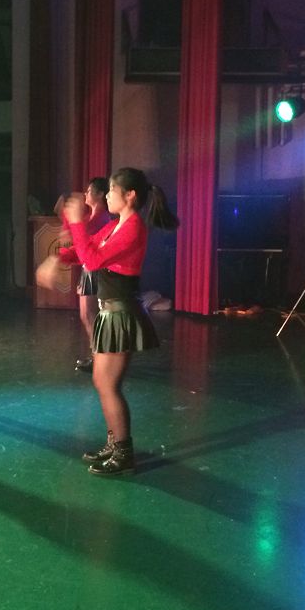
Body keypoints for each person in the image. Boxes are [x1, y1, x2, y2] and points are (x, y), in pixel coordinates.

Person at [63, 167, 179, 476]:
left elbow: (93, 261)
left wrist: (76, 222)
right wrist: (58, 257)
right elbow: (85, 251)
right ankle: (114, 444)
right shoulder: (116, 225)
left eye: (112, 192)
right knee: (102, 382)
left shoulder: (133, 228)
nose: (107, 197)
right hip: (109, 313)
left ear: (130, 195)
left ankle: (124, 454)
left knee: (108, 385)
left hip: (121, 314)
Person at [56, 177, 113, 373]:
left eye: (89, 191)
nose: (86, 194)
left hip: (95, 269)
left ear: (100, 194)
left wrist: (70, 219)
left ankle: (100, 357)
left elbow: (78, 236)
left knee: (90, 315)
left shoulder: (101, 218)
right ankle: (98, 355)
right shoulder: (94, 217)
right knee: (87, 315)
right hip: (89, 268)